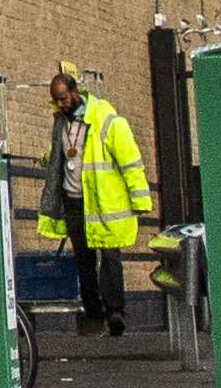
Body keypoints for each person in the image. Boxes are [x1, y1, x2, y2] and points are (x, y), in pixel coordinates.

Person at [41, 63, 150, 339]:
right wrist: (46, 160)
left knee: (110, 256)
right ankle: (93, 316)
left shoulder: (106, 118)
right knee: (83, 260)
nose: (61, 105)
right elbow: (59, 153)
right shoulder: (61, 122)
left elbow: (130, 161)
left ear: (76, 92)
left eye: (64, 99)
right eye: (56, 101)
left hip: (104, 203)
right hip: (74, 201)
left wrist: (140, 199)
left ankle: (115, 312)